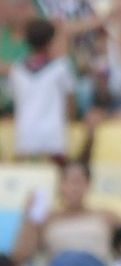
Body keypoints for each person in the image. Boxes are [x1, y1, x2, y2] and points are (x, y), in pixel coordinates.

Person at [9, 160, 121, 266]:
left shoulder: (105, 216)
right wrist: (29, 218)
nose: (73, 188)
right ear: (60, 186)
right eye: (68, 182)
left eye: (78, 182)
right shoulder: (47, 218)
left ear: (88, 185)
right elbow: (20, 257)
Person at [9, 17, 72, 161]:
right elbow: (70, 101)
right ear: (51, 40)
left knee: (26, 179)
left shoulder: (17, 69)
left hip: (26, 135)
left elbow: (16, 101)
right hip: (54, 135)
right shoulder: (61, 67)